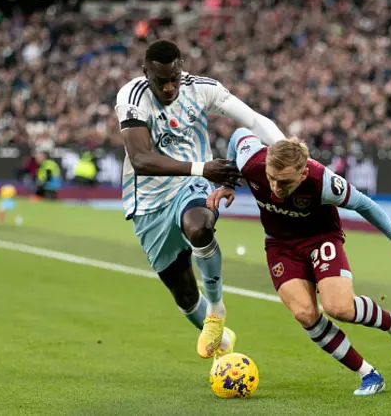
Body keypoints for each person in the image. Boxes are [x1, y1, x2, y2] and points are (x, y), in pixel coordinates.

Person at [207, 129, 391, 396]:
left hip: (321, 238)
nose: (276, 188)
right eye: (271, 179)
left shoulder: (323, 182)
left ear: (302, 175)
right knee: (305, 314)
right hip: (280, 245)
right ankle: (369, 374)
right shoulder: (252, 160)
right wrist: (229, 183)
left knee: (339, 308)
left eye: (285, 183)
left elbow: (365, 205)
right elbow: (238, 135)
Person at [114, 40, 286, 361]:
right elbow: (140, 159)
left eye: (174, 78)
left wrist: (288, 149)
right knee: (184, 295)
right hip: (149, 202)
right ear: (145, 74)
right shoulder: (132, 97)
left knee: (199, 227)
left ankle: (217, 309)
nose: (168, 87)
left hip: (193, 186)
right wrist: (203, 168)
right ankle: (223, 342)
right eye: (160, 80)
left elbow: (253, 120)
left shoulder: (201, 89)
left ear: (182, 69)